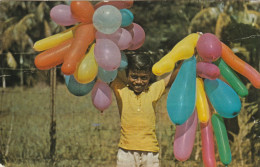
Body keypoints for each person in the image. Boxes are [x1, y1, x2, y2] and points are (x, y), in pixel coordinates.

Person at [110, 53, 178, 167]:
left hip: (150, 152)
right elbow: (107, 68)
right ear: (127, 75)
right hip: (126, 152)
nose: (138, 81)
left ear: (149, 77)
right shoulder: (121, 90)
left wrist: (190, 56)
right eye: (134, 76)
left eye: (144, 77)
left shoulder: (153, 91)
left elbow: (171, 78)